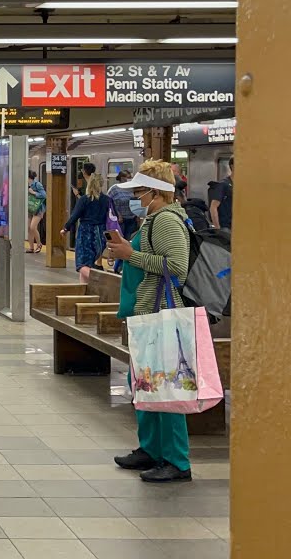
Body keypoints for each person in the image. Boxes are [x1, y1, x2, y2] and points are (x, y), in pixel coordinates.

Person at [106, 161, 193, 483]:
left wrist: (131, 255)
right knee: (144, 382)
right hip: (147, 311)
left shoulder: (168, 221)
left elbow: (177, 267)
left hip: (162, 312)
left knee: (166, 384)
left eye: (140, 192)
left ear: (157, 193)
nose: (135, 198)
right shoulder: (152, 220)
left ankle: (176, 460)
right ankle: (151, 449)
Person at [61, 171, 109, 283]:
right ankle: (84, 288)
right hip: (101, 233)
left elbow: (75, 215)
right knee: (90, 262)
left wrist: (66, 228)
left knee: (82, 264)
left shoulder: (84, 199)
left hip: (86, 232)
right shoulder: (107, 200)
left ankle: (102, 282)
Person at [109, 169, 139, 239]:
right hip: (120, 220)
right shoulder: (114, 189)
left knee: (129, 238)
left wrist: (138, 215)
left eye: (130, 177)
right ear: (122, 178)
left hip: (132, 218)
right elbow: (110, 203)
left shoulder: (132, 188)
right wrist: (118, 215)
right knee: (121, 238)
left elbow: (137, 200)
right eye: (128, 177)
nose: (130, 179)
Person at [208, 157, 233, 230]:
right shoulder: (223, 185)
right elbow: (213, 207)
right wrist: (217, 228)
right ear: (232, 166)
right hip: (226, 226)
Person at [26, 170, 46, 253]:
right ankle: (31, 247)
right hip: (30, 208)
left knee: (33, 227)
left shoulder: (37, 184)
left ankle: (39, 244)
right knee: (28, 228)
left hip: (38, 209)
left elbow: (44, 195)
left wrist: (33, 192)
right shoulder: (27, 185)